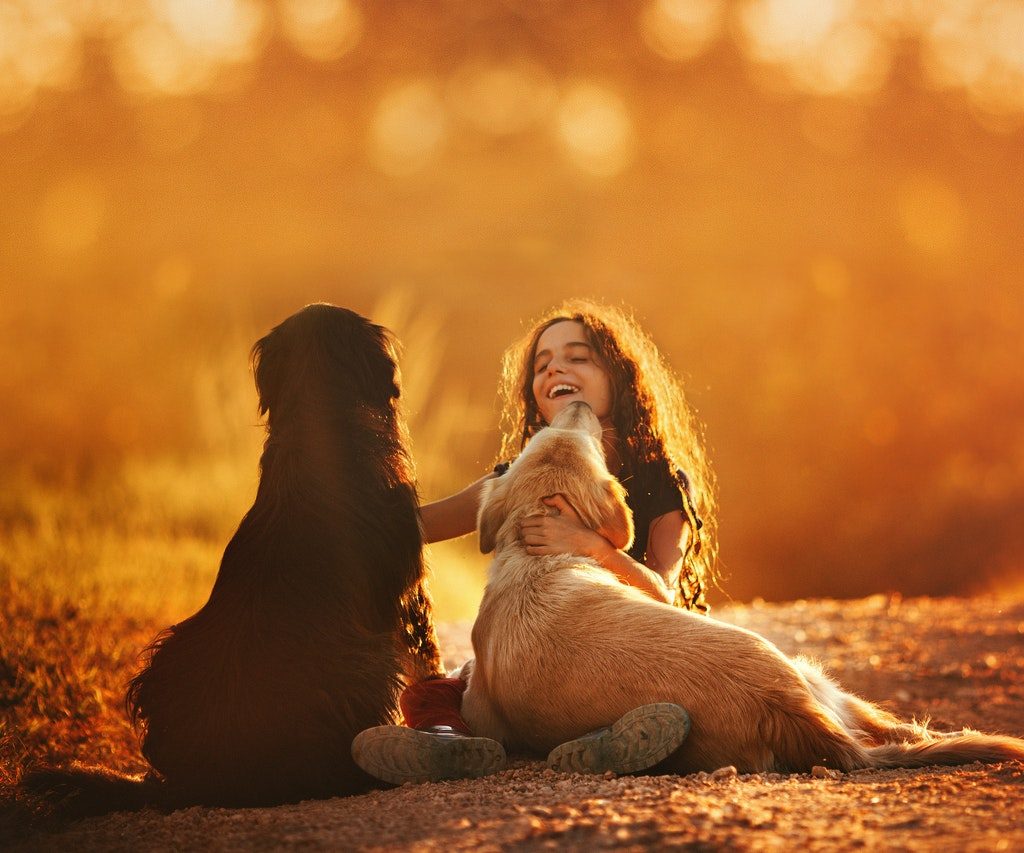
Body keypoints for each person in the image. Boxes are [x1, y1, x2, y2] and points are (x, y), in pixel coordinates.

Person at [352, 300, 718, 783]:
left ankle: (599, 741)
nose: (556, 368)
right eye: (542, 364)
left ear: (619, 378)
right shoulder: (516, 478)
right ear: (535, 399)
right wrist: (341, 487)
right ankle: (448, 743)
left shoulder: (661, 483)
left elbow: (662, 594)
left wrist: (589, 544)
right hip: (537, 661)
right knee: (438, 691)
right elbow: (414, 528)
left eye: (578, 357)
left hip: (625, 654)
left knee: (661, 698)